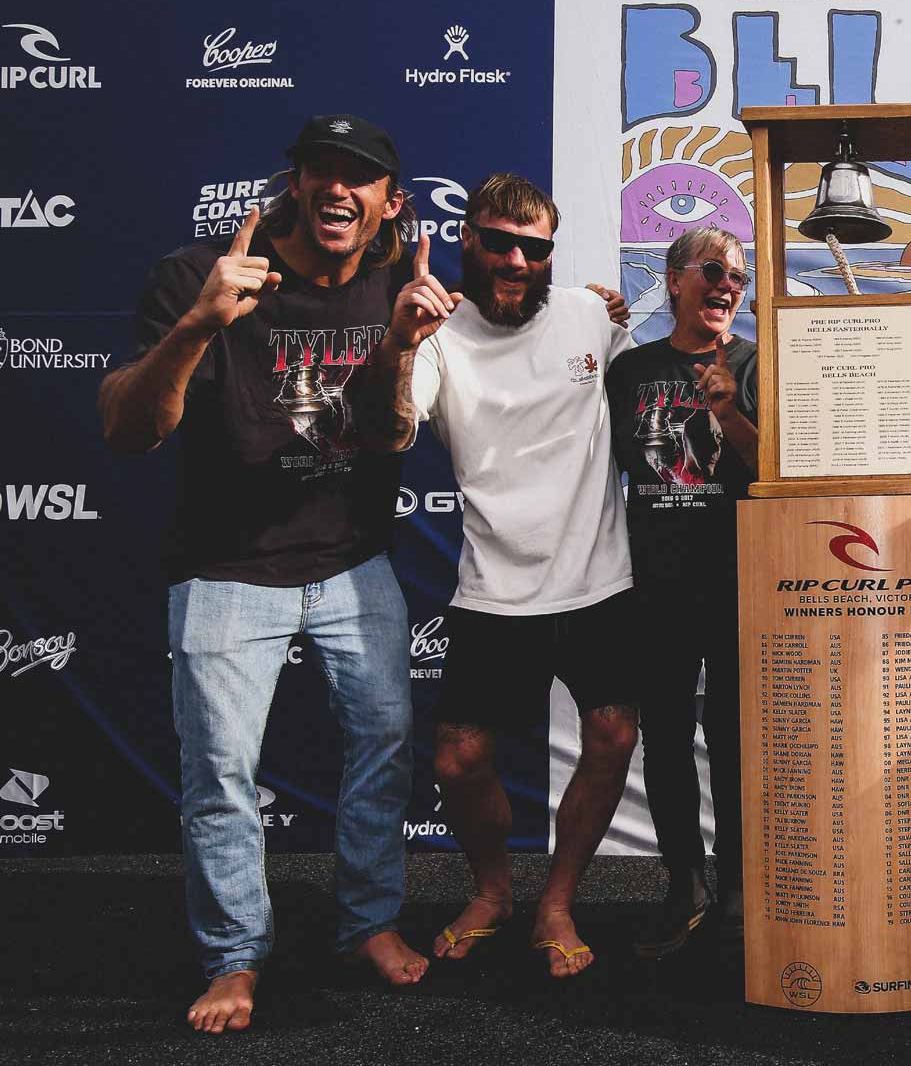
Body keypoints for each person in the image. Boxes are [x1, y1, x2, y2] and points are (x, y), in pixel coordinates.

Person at [99, 114, 431, 1034]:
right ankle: (235, 956)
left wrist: (600, 306)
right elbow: (129, 427)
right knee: (219, 776)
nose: (337, 189)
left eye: (359, 177)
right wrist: (201, 326)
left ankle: (368, 922)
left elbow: (391, 431)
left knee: (384, 752)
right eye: (320, 171)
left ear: (388, 204)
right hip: (225, 569)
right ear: (293, 186)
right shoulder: (198, 276)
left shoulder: (398, 285)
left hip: (354, 564)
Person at [368, 173, 640, 979]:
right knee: (456, 759)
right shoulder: (437, 335)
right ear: (468, 242)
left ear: (552, 252)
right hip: (494, 586)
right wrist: (401, 343)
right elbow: (389, 432)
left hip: (600, 579)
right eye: (499, 242)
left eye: (534, 247)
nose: (516, 261)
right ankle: (494, 891)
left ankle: (556, 901)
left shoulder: (592, 314)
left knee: (615, 735)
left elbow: (649, 387)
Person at [603, 224, 759, 955]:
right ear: (672, 280)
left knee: (733, 741)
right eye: (712, 270)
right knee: (664, 739)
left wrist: (729, 411)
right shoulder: (630, 370)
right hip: (655, 588)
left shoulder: (760, 362)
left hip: (738, 586)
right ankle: (683, 882)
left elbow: (782, 474)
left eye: (738, 274)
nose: (728, 283)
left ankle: (737, 888)